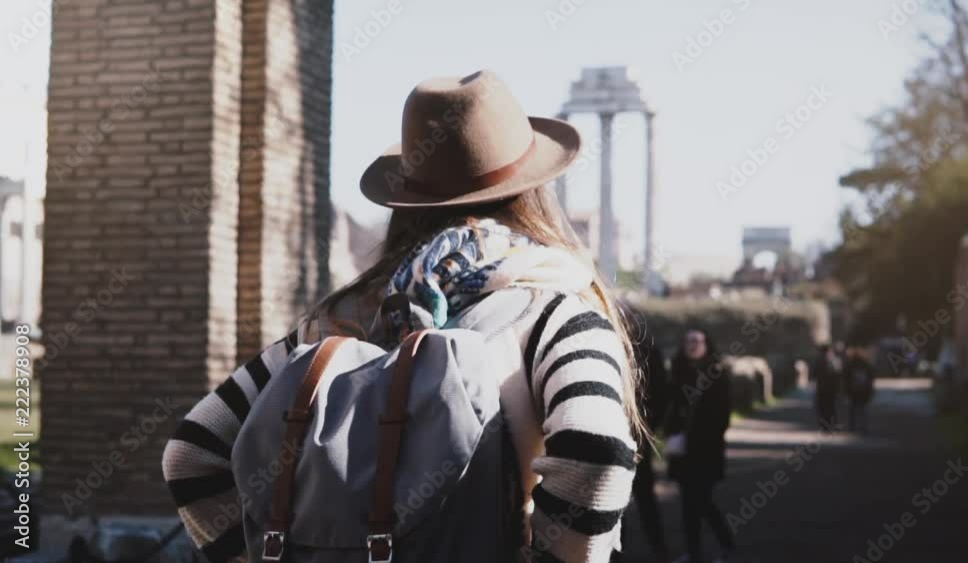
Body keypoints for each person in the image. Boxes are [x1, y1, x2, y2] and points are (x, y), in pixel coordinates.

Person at [162, 70, 644, 563]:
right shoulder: (556, 309)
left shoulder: (335, 320)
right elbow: (598, 450)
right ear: (531, 191)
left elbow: (191, 454)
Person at [664, 329, 734, 563]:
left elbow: (723, 414)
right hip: (683, 451)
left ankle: (726, 545)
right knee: (687, 504)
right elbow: (672, 408)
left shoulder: (717, 373)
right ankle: (693, 553)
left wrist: (706, 437)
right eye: (688, 341)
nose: (692, 345)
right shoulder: (678, 370)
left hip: (707, 450)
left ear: (706, 344)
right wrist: (671, 433)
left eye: (697, 341)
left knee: (703, 501)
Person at [625, 308, 671, 558]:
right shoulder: (614, 347)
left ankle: (659, 550)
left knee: (644, 497)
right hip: (623, 434)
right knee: (618, 498)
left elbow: (662, 392)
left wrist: (650, 427)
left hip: (639, 435)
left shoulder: (649, 351)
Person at [844, 346, 875, 433]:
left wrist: (846, 390)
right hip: (863, 390)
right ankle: (862, 426)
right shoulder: (866, 365)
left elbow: (846, 378)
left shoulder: (851, 365)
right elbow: (871, 378)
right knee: (862, 409)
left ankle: (853, 426)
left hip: (854, 390)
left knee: (853, 409)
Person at [813, 344, 843, 428]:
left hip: (822, 388)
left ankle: (824, 425)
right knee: (831, 407)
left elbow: (814, 374)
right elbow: (839, 375)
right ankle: (831, 424)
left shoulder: (819, 361)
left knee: (823, 407)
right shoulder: (835, 361)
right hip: (832, 389)